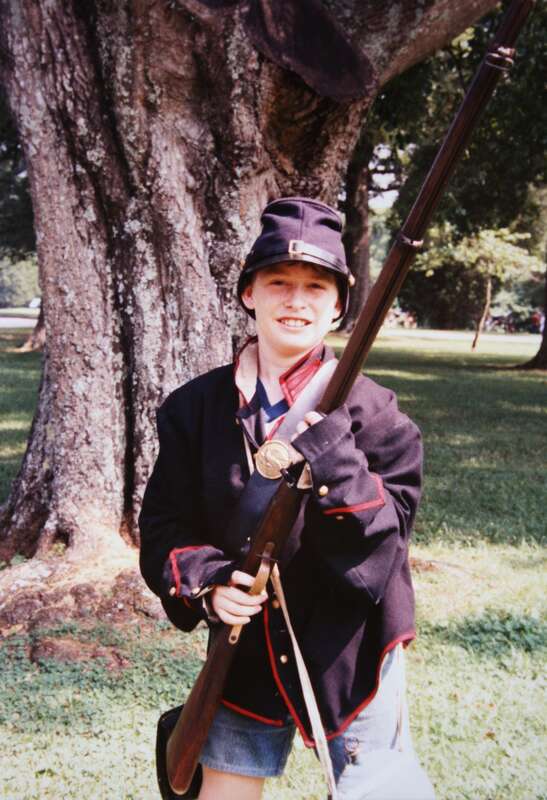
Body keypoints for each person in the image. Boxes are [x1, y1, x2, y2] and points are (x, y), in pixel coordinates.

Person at [139, 197, 435, 800]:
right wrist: (209, 583)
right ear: (250, 293)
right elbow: (163, 528)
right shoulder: (191, 410)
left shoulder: (380, 416)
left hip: (350, 649)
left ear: (338, 305)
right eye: (279, 282)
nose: (296, 300)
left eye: (315, 286)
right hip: (243, 651)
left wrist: (333, 452)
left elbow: (384, 548)